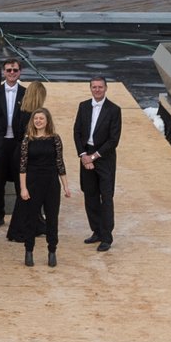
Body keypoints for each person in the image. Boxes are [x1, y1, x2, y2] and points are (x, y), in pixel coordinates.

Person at [8, 106, 71, 267]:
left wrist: (66, 186)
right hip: (32, 182)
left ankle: (52, 251)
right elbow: (22, 166)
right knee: (31, 218)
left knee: (52, 218)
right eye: (36, 118)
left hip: (51, 182)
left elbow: (60, 163)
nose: (38, 121)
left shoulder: (55, 138)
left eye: (41, 118)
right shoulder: (27, 140)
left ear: (47, 120)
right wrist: (23, 188)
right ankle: (29, 251)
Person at [0, 58, 32, 228]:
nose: (12, 73)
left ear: (20, 72)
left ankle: (22, 214)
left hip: (17, 142)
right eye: (9, 70)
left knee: (20, 181)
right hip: (0, 143)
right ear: (3, 72)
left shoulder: (26, 93)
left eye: (15, 70)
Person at [74, 75, 121, 251]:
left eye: (100, 87)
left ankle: (106, 237)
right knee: (90, 195)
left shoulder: (114, 110)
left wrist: (93, 157)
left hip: (104, 158)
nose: (97, 90)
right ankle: (96, 231)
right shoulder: (83, 106)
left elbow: (113, 140)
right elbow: (77, 131)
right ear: (90, 88)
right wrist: (83, 155)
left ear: (106, 88)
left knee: (106, 198)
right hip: (86, 156)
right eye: (94, 87)